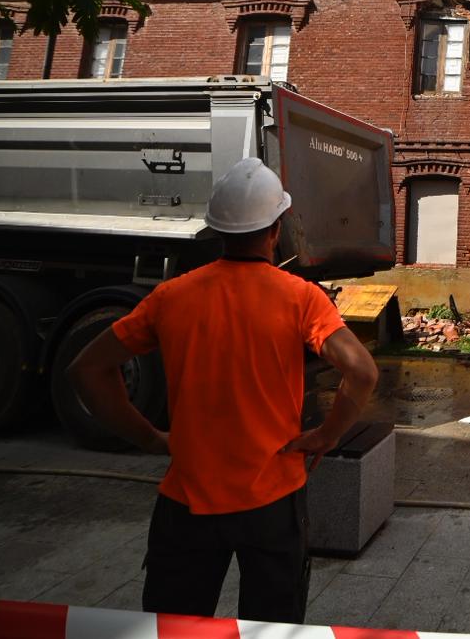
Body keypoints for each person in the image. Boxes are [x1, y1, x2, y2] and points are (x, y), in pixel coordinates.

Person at [68, 157, 378, 623]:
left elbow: (87, 369)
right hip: (274, 501)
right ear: (276, 229)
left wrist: (147, 436)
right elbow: (362, 371)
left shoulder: (171, 297)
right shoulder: (301, 297)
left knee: (175, 629)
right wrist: (326, 435)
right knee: (271, 630)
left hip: (187, 502)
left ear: (217, 231)